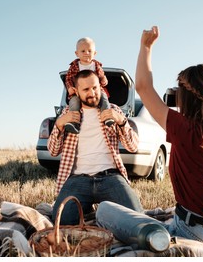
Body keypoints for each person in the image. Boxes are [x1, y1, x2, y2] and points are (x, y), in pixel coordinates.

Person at [96, 26, 203, 245]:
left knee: (104, 210)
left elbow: (144, 87)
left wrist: (146, 46)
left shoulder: (185, 129)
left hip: (192, 231)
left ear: (184, 97)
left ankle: (160, 240)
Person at [48, 69, 143, 225]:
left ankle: (97, 212)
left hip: (110, 177)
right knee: (61, 222)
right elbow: (53, 151)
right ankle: (88, 209)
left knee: (137, 219)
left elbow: (132, 147)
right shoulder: (68, 113)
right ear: (77, 93)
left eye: (95, 88)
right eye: (86, 89)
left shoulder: (113, 110)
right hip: (78, 179)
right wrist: (59, 124)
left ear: (101, 87)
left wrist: (122, 121)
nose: (92, 93)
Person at [64, 37, 114, 134]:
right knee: (74, 102)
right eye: (83, 51)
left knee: (104, 98)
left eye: (89, 51)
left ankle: (107, 117)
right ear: (77, 53)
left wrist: (103, 80)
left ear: (94, 53)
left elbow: (103, 79)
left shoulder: (97, 66)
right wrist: (70, 87)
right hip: (78, 92)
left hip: (97, 91)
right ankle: (74, 123)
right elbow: (68, 78)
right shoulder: (74, 66)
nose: (86, 53)